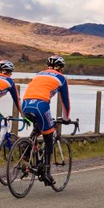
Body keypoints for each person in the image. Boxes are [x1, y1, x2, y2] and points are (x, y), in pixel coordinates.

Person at [22, 55, 71, 185]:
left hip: (25, 104)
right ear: (60, 68)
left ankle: (26, 151)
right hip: (41, 105)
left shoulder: (38, 75)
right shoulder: (61, 78)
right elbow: (65, 102)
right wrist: (66, 118)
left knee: (38, 127)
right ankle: (47, 174)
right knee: (48, 136)